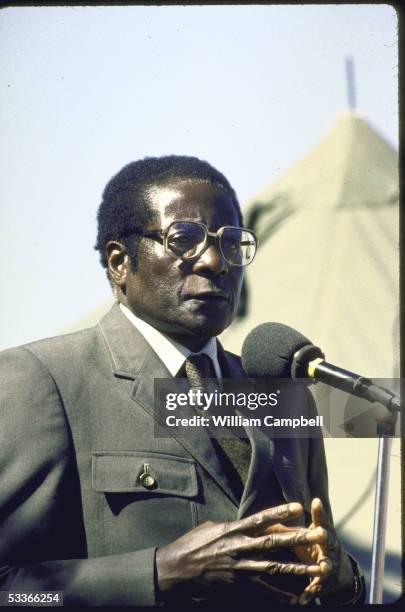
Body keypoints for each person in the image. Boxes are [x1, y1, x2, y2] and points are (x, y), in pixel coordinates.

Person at [0, 156, 364, 606]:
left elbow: (325, 562)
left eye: (232, 244)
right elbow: (10, 590)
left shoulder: (283, 397)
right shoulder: (44, 380)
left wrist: (342, 576)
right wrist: (159, 573)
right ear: (119, 263)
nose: (214, 261)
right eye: (184, 240)